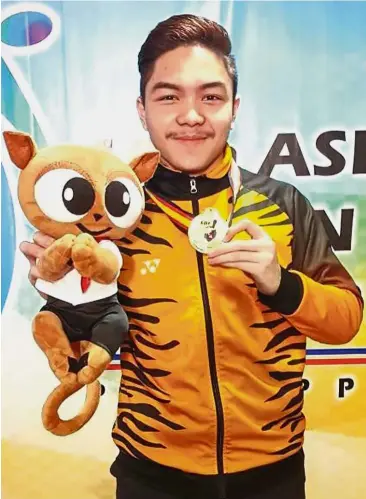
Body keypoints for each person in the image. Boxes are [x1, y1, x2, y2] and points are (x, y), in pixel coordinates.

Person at [20, 14, 363, 499]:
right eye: (168, 96)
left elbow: (346, 321)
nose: (191, 115)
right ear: (142, 110)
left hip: (274, 471)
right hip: (151, 472)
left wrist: (281, 284)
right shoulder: (113, 222)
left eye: (211, 96)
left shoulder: (281, 204)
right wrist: (67, 302)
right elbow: (82, 354)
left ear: (234, 106)